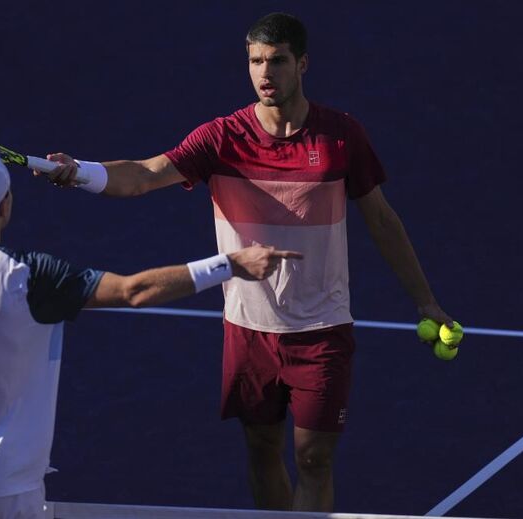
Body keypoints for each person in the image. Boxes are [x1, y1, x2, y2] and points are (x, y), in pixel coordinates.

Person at [39, 12, 454, 513]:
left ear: (301, 63)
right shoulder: (221, 137)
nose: (265, 73)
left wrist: (426, 301)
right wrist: (80, 172)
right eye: (256, 61)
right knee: (260, 449)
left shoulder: (341, 136)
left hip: (321, 328)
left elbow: (383, 222)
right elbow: (145, 175)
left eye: (277, 61)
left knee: (314, 459)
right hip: (247, 329)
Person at [0, 148, 300, 519]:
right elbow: (133, 291)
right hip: (3, 493)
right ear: (5, 206)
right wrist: (229, 264)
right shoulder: (31, 276)